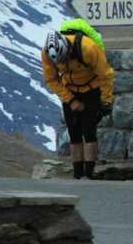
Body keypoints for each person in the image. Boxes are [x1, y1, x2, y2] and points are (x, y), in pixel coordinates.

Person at [42, 30, 115, 179]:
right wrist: (70, 100)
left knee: (89, 131)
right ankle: (77, 174)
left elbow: (105, 75)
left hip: (91, 90)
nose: (63, 63)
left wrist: (106, 101)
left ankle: (89, 173)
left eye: (65, 58)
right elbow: (51, 80)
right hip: (70, 90)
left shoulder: (88, 48)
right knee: (74, 133)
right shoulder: (46, 54)